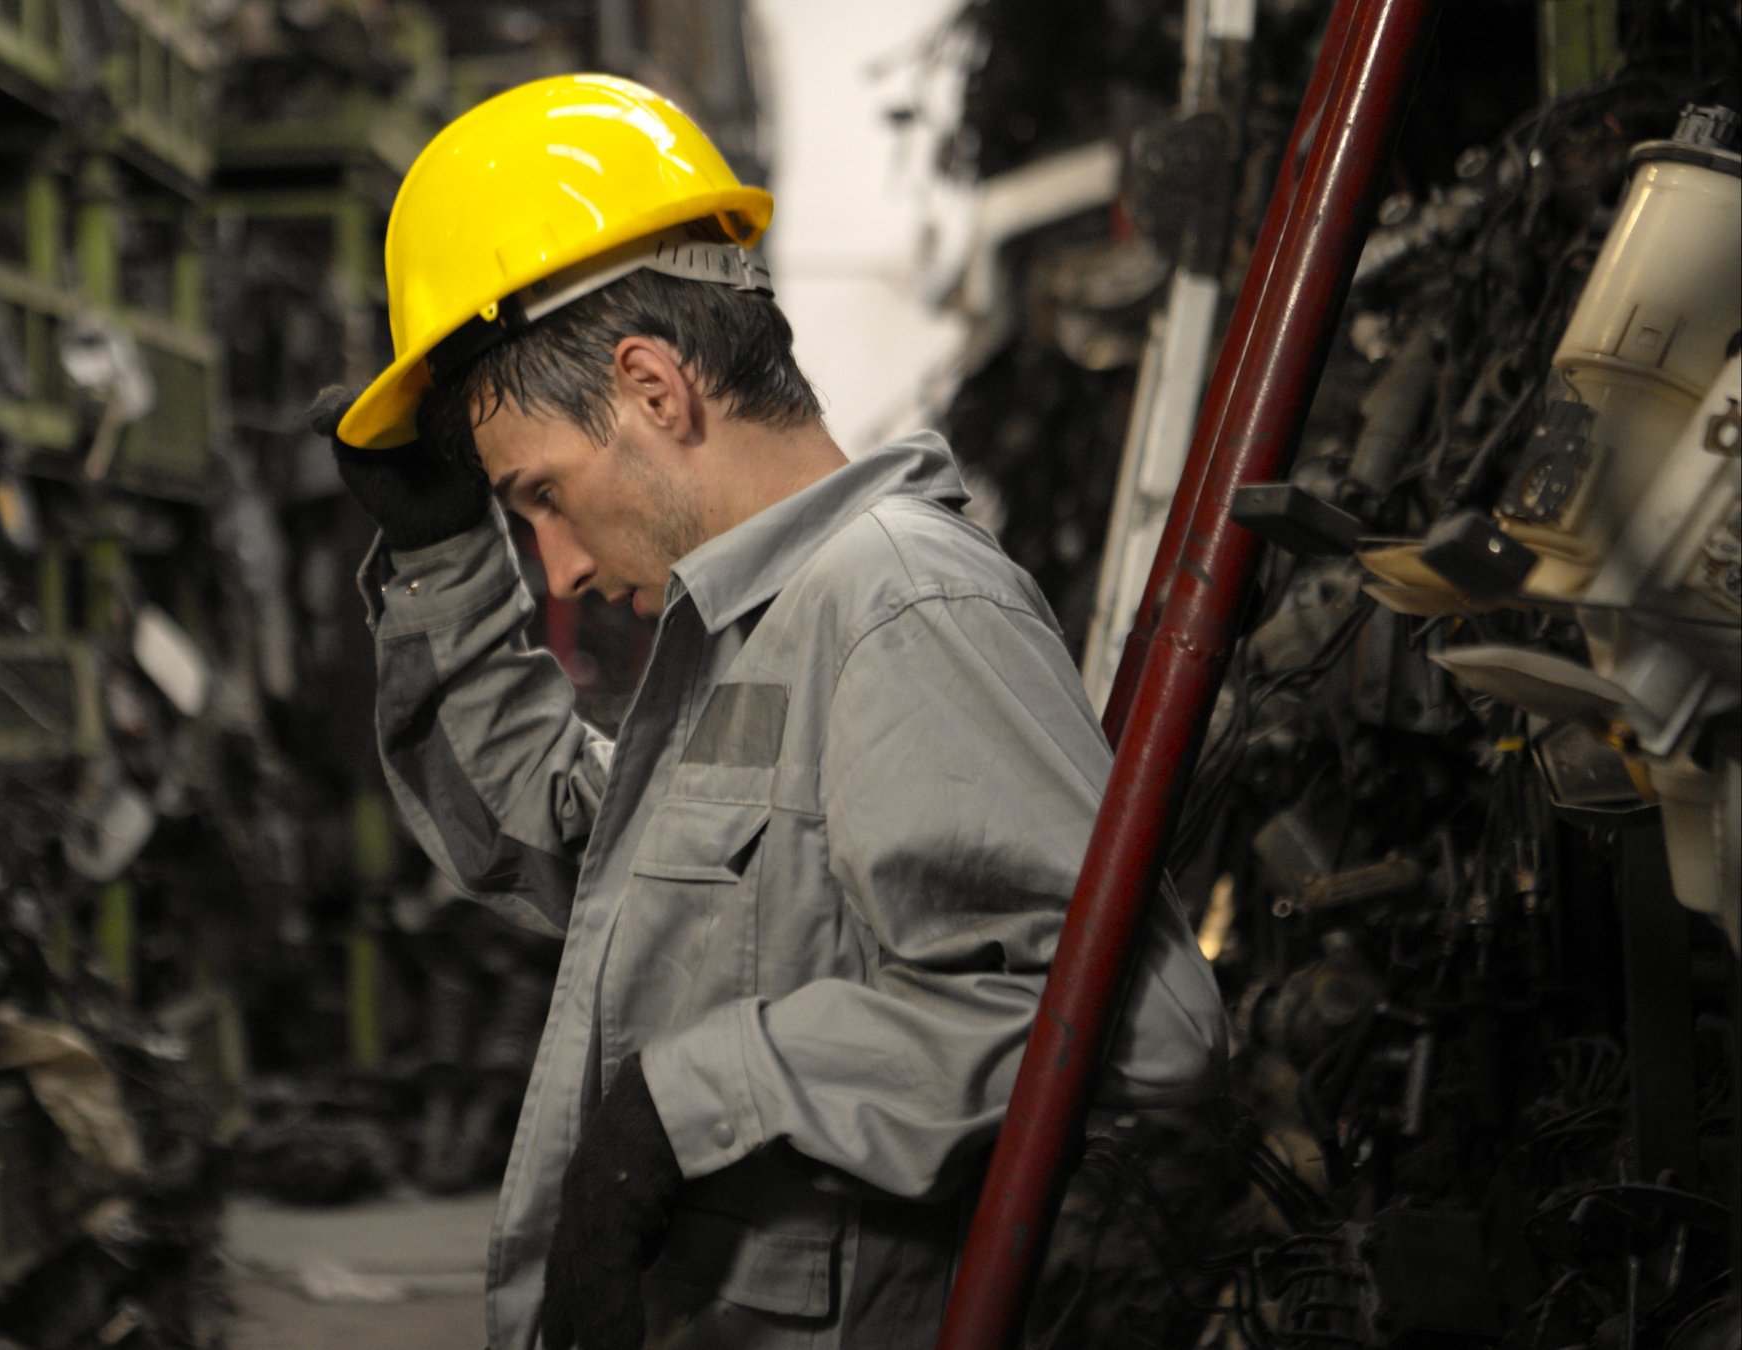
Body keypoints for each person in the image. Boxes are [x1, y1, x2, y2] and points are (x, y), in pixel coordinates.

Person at [314, 73, 1228, 1350]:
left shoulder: (896, 603)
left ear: (653, 389)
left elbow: (1144, 1028)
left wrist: (695, 1099)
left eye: (541, 498)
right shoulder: (753, 631)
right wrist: (441, 563)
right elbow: (548, 847)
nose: (560, 566)